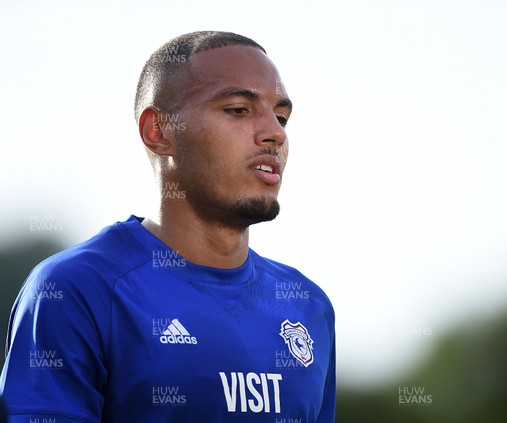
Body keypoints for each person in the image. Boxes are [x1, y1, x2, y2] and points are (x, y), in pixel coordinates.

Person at [0, 31, 335, 422]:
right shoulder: (77, 288)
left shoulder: (308, 306)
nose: (275, 133)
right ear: (159, 131)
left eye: (280, 116)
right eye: (238, 109)